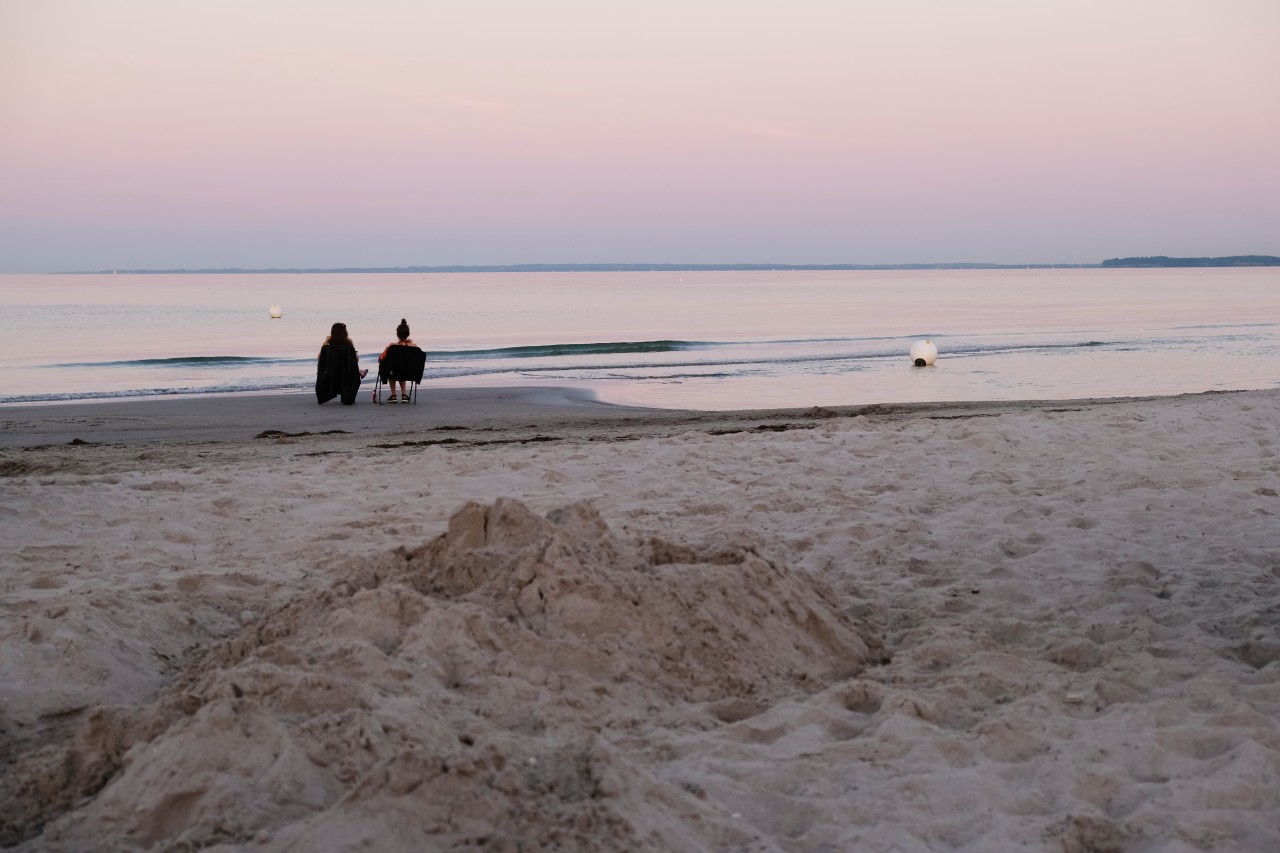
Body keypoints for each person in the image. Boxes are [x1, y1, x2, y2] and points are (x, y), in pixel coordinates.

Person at [315, 322, 368, 405]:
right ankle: (361, 372)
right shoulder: (348, 345)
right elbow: (356, 360)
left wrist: (326, 342)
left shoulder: (326, 346)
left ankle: (361, 372)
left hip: (330, 375)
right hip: (345, 375)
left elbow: (319, 358)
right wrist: (355, 351)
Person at [378, 318, 415, 403]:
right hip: (409, 372)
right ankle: (404, 395)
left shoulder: (392, 346)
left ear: (397, 334)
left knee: (392, 368)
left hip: (393, 372)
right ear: (408, 334)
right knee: (402, 368)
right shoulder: (414, 346)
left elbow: (381, 358)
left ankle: (393, 395)